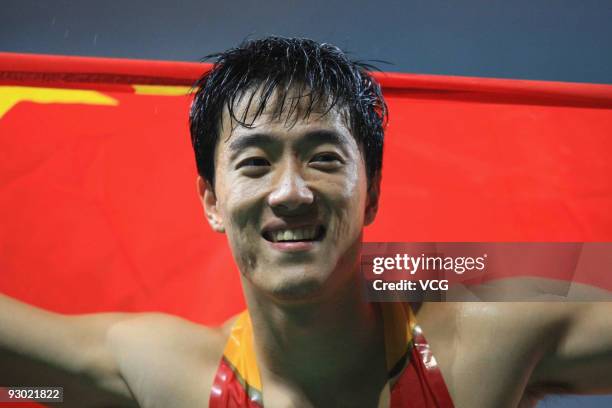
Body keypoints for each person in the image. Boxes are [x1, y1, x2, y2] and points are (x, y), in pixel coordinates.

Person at [1, 36, 612, 408]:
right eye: (255, 163)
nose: (290, 192)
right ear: (211, 201)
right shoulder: (166, 376)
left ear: (369, 196)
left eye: (323, 159)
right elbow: (24, 383)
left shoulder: (482, 349)